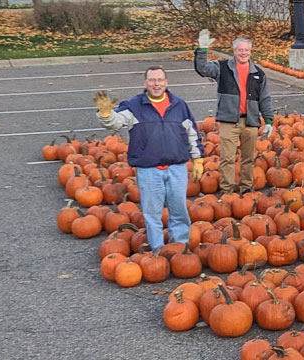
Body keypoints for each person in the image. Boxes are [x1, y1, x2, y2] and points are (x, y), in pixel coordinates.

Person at [92, 66, 205, 252]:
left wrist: (198, 158)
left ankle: (180, 248)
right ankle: (157, 250)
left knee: (179, 211)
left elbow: (192, 133)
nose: (156, 84)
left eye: (160, 80)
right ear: (145, 83)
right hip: (149, 170)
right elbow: (116, 122)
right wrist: (106, 115)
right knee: (153, 214)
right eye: (152, 80)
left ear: (166, 82)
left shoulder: (179, 105)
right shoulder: (134, 106)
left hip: (176, 167)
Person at [193, 30, 274, 193]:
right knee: (227, 158)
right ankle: (227, 190)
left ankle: (246, 188)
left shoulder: (258, 73)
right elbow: (202, 69)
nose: (243, 53)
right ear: (234, 51)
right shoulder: (222, 68)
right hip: (229, 121)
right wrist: (202, 50)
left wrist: (269, 120)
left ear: (250, 52)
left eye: (246, 50)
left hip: (250, 121)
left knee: (248, 159)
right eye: (240, 50)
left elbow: (264, 98)